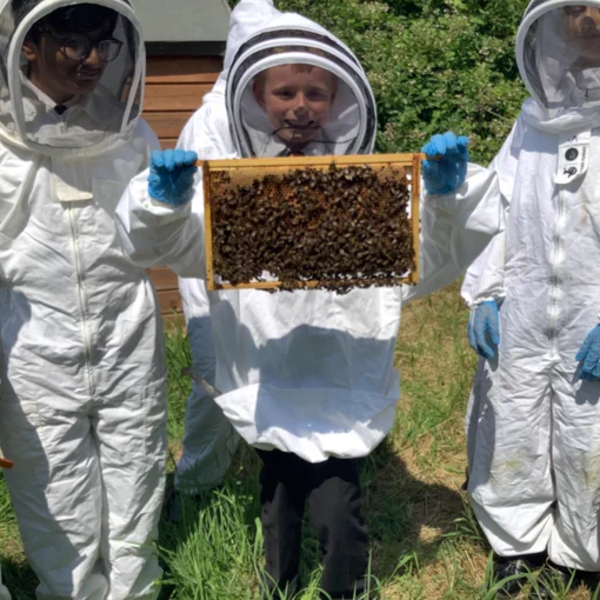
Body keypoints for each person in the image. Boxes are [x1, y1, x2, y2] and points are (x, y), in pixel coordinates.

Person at [115, 0, 504, 597]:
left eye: (315, 94)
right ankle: (281, 585)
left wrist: (449, 198)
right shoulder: (239, 188)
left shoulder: (369, 188)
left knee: (336, 510)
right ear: (256, 100)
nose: (300, 107)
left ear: (339, 100)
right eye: (285, 93)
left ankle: (345, 588)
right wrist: (163, 202)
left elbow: (427, 262)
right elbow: (182, 248)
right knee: (277, 503)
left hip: (340, 383)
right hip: (270, 382)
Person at [0, 2, 167, 599]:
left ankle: (132, 593)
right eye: (74, 42)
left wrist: (173, 204)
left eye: (104, 43)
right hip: (34, 352)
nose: (93, 59)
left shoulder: (131, 132)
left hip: (128, 335)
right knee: (54, 495)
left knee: (137, 477)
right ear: (28, 43)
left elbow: (163, 239)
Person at [462, 2, 600, 597]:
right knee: (511, 417)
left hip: (592, 316)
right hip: (523, 308)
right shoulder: (532, 123)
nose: (589, 20)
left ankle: (580, 553)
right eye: (574, 9)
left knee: (590, 432)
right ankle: (515, 544)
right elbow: (497, 210)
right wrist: (485, 293)